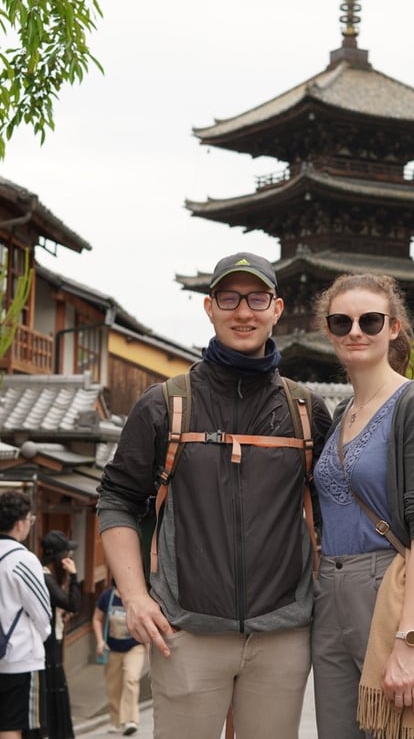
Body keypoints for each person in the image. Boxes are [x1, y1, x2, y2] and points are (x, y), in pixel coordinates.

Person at [96, 251, 331, 739]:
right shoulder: (166, 404)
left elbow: (334, 511)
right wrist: (137, 598)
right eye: (229, 297)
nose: (242, 311)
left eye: (256, 298)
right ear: (209, 307)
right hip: (187, 632)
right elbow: (117, 498)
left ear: (277, 308)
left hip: (283, 633)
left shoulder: (306, 410)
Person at [310, 272, 414, 738]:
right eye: (341, 321)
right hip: (327, 592)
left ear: (394, 328)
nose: (356, 331)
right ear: (328, 330)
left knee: (396, 730)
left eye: (370, 320)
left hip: (388, 589)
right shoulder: (340, 414)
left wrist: (409, 641)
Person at [0, 491, 52, 739]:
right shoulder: (22, 559)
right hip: (17, 655)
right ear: (20, 523)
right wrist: (43, 635)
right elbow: (41, 611)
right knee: (13, 725)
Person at [39, 530, 81, 739]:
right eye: (67, 553)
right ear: (58, 555)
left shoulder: (44, 575)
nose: (70, 557)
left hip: (48, 643)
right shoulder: (44, 577)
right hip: (47, 646)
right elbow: (73, 603)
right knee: (52, 693)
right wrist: (74, 576)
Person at [92, 582, 145, 736]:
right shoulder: (107, 596)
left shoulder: (137, 598)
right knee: (113, 687)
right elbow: (97, 619)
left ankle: (130, 720)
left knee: (131, 679)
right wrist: (100, 641)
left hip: (135, 647)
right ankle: (115, 720)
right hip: (112, 648)